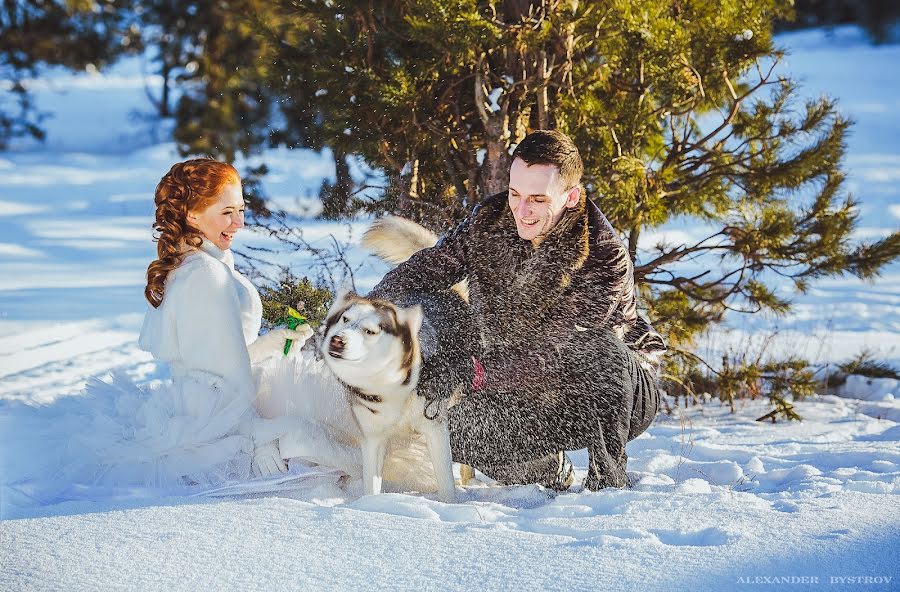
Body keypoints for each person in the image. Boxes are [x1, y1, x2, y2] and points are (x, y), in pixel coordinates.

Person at [3, 159, 314, 503]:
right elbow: (225, 374)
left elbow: (214, 360)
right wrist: (258, 436)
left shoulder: (200, 263)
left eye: (241, 209)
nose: (239, 222)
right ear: (193, 215)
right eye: (227, 212)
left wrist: (271, 344)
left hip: (214, 408)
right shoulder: (205, 274)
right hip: (221, 425)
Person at [370, 130, 667, 491]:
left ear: (571, 197)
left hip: (611, 390)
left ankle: (607, 482)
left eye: (538, 200)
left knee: (598, 352)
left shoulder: (605, 254)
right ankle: (541, 471)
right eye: (515, 194)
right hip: (516, 378)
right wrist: (362, 316)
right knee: (455, 428)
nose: (521, 211)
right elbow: (428, 267)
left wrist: (471, 372)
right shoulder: (489, 220)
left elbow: (554, 353)